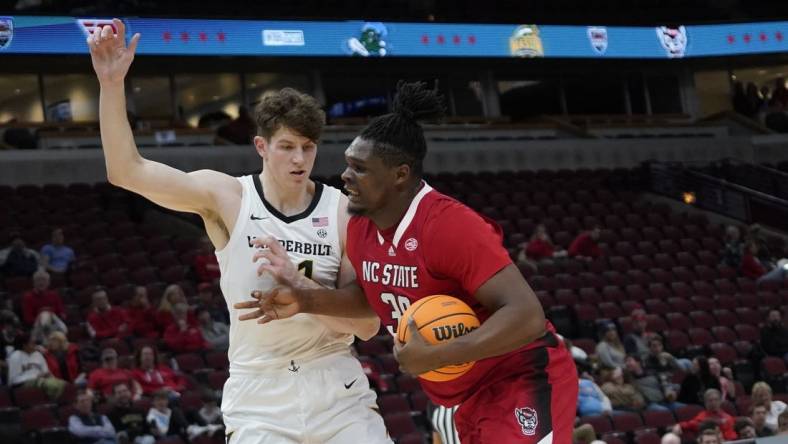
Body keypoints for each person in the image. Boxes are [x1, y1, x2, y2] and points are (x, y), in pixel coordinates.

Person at [88, 20, 389, 444]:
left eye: (308, 146)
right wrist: (111, 84)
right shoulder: (227, 196)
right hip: (259, 393)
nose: (299, 158)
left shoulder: (343, 210)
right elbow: (126, 171)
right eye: (287, 146)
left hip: (336, 385)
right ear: (262, 147)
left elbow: (366, 326)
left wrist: (300, 289)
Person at [238, 81, 578, 443]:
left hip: (519, 379)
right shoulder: (362, 227)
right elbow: (371, 295)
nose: (345, 176)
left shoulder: (450, 225)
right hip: (460, 398)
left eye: (360, 169)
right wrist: (306, 300)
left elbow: (527, 315)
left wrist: (442, 354)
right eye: (348, 165)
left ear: (400, 175)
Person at [7, 331, 66, 400]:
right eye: (32, 343)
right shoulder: (15, 356)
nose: (35, 345)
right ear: (24, 345)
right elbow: (13, 380)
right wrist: (35, 377)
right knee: (51, 385)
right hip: (24, 384)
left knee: (64, 384)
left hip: (41, 380)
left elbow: (46, 372)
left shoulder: (38, 355)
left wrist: (47, 375)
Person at [671, 389, 737, 441]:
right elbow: (690, 424)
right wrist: (679, 425)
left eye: (716, 400)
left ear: (720, 401)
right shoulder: (702, 417)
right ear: (705, 403)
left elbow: (734, 421)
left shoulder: (727, 416)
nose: (713, 403)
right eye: (710, 400)